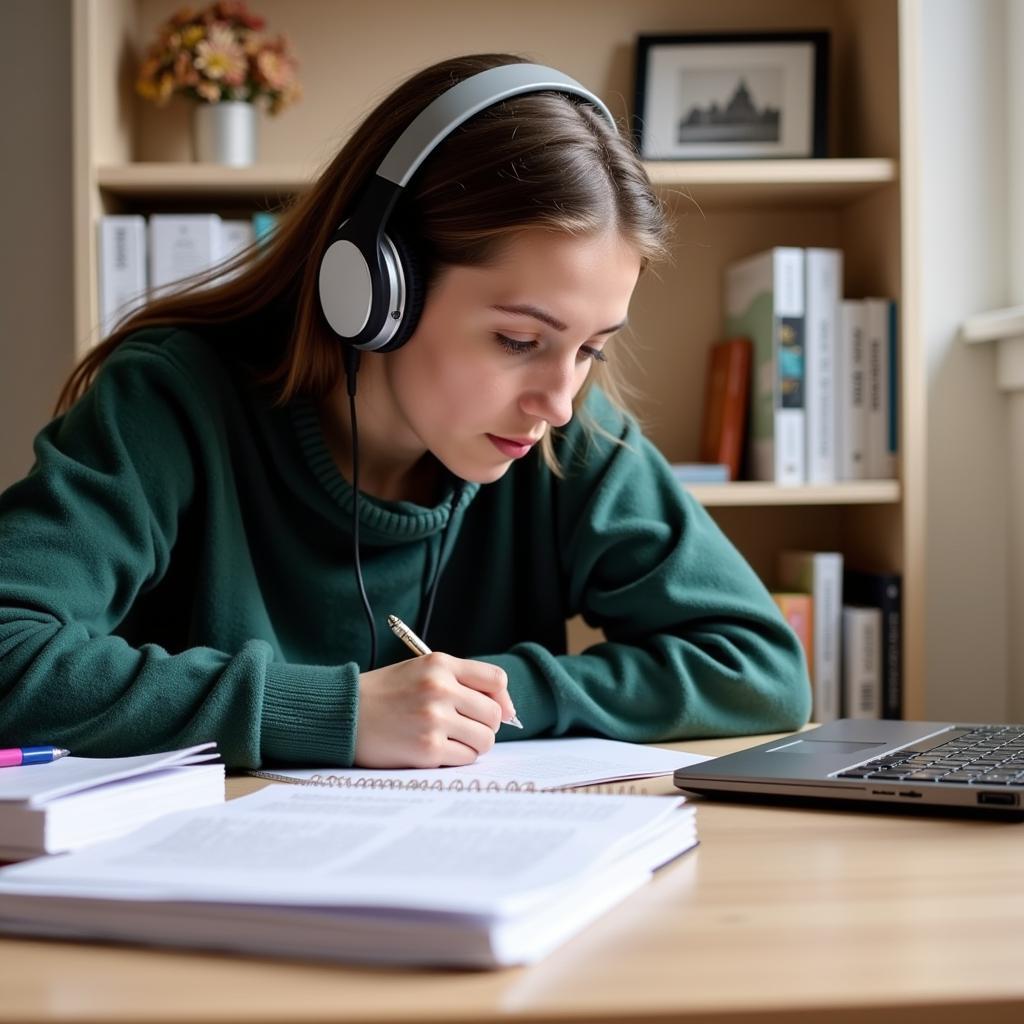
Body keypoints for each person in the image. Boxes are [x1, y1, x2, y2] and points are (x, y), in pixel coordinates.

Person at [0, 54, 810, 771]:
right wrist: (335, 712)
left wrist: (484, 697)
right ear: (376, 289)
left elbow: (760, 671)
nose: (557, 402)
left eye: (591, 348)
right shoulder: (171, 400)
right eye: (519, 339)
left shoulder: (569, 438)